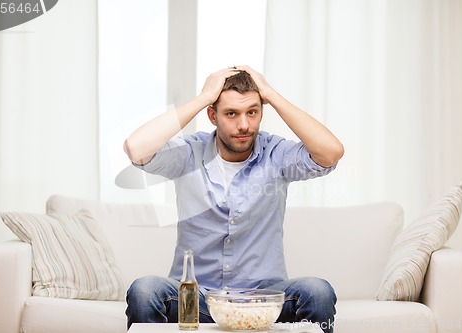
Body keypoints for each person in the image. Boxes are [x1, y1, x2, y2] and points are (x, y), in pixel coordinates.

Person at [123, 65, 344, 333]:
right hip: (197, 301)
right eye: (231, 114)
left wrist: (271, 94)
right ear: (212, 116)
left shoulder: (276, 154)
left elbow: (331, 152)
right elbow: (136, 148)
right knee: (144, 290)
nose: (244, 125)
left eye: (252, 112)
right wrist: (204, 96)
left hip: (264, 301)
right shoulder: (189, 153)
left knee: (317, 291)